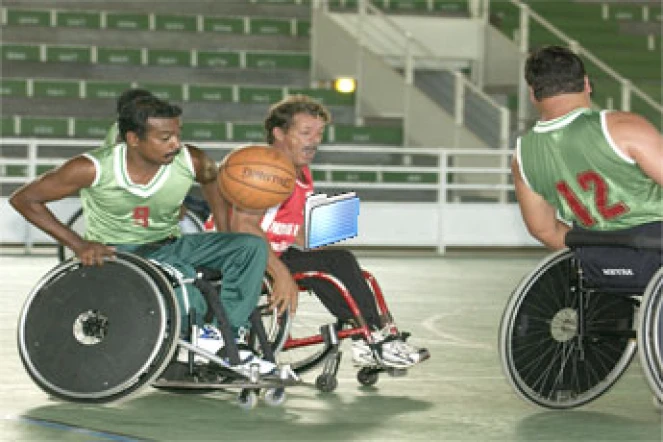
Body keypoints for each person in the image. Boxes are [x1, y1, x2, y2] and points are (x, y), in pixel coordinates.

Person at [9, 95, 275, 373]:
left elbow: (212, 180)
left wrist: (224, 230)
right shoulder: (92, 168)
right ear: (133, 139)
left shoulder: (192, 160)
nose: (175, 143)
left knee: (249, 247)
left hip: (170, 244)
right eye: (165, 137)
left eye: (177, 134)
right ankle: (206, 344)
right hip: (120, 253)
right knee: (181, 274)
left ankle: (226, 336)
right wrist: (78, 244)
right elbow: (24, 199)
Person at [227, 95, 430, 369]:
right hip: (240, 259)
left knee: (338, 261)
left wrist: (324, 243)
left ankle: (372, 335)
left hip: (271, 253)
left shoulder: (301, 172)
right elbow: (243, 228)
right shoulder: (265, 171)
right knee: (335, 264)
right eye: (305, 132)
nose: (314, 140)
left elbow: (292, 228)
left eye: (319, 133)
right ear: (279, 133)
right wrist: (280, 273)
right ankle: (371, 339)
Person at [512, 45, 662, 285]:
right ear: (587, 83)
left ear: (532, 94)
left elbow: (545, 230)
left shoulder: (522, 157)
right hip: (655, 248)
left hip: (595, 260)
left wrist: (595, 248)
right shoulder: (623, 127)